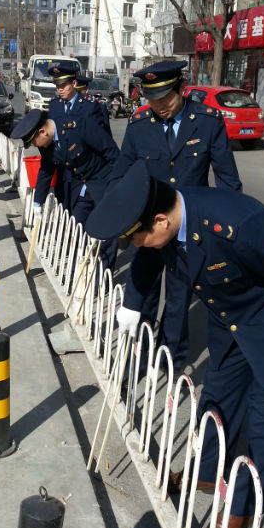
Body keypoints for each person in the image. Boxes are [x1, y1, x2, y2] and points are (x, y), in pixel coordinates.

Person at [85, 162, 264, 528]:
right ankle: (204, 473)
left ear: (161, 222)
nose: (136, 245)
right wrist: (132, 306)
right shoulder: (164, 224)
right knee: (216, 401)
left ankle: (241, 509)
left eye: (138, 237)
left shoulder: (237, 224)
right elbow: (148, 261)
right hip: (230, 321)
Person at [108, 60, 243, 369]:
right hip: (149, 227)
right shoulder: (140, 125)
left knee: (179, 300)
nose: (159, 105)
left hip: (187, 229)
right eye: (152, 98)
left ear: (182, 88)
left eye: (165, 97)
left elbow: (229, 183)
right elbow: (120, 176)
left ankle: (171, 363)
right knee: (143, 294)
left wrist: (229, 234)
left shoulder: (207, 122)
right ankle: (137, 360)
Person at [11, 108, 118, 272]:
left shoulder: (79, 127)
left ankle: (103, 272)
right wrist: (38, 202)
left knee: (108, 230)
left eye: (34, 142)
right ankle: (79, 270)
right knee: (77, 227)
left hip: (103, 182)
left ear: (43, 132)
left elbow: (111, 152)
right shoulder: (46, 142)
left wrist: (118, 184)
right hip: (80, 187)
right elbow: (46, 169)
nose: (34, 146)